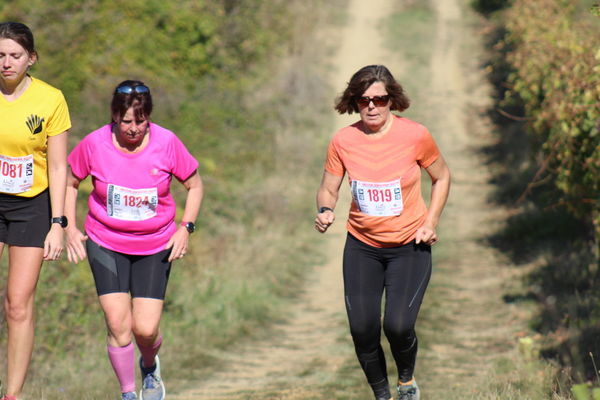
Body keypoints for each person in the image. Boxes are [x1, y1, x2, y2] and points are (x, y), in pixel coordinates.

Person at [315, 65, 450, 400]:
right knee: (362, 329)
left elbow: (442, 177)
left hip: (409, 245)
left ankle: (406, 382)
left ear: (393, 100)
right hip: (362, 247)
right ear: (354, 102)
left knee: (398, 326)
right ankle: (382, 395)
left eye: (380, 99)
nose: (372, 106)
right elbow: (328, 189)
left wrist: (430, 222)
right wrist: (325, 210)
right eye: (363, 100)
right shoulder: (343, 140)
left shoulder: (415, 135)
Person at [64, 80, 203, 400]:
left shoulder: (167, 143)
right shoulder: (95, 144)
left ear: (149, 117)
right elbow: (70, 181)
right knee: (117, 323)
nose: (133, 128)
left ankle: (150, 367)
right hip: (105, 242)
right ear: (114, 116)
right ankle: (128, 393)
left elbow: (195, 185)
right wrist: (69, 226)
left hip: (155, 245)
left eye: (141, 121)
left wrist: (186, 227)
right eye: (126, 120)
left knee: (145, 329)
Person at [0, 22, 71, 400]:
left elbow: (60, 167)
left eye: (15, 55)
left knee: (17, 305)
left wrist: (58, 223)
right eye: (0, 55)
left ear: (31, 58)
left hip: (32, 205)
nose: (6, 63)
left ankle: (11, 394)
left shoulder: (50, 99)